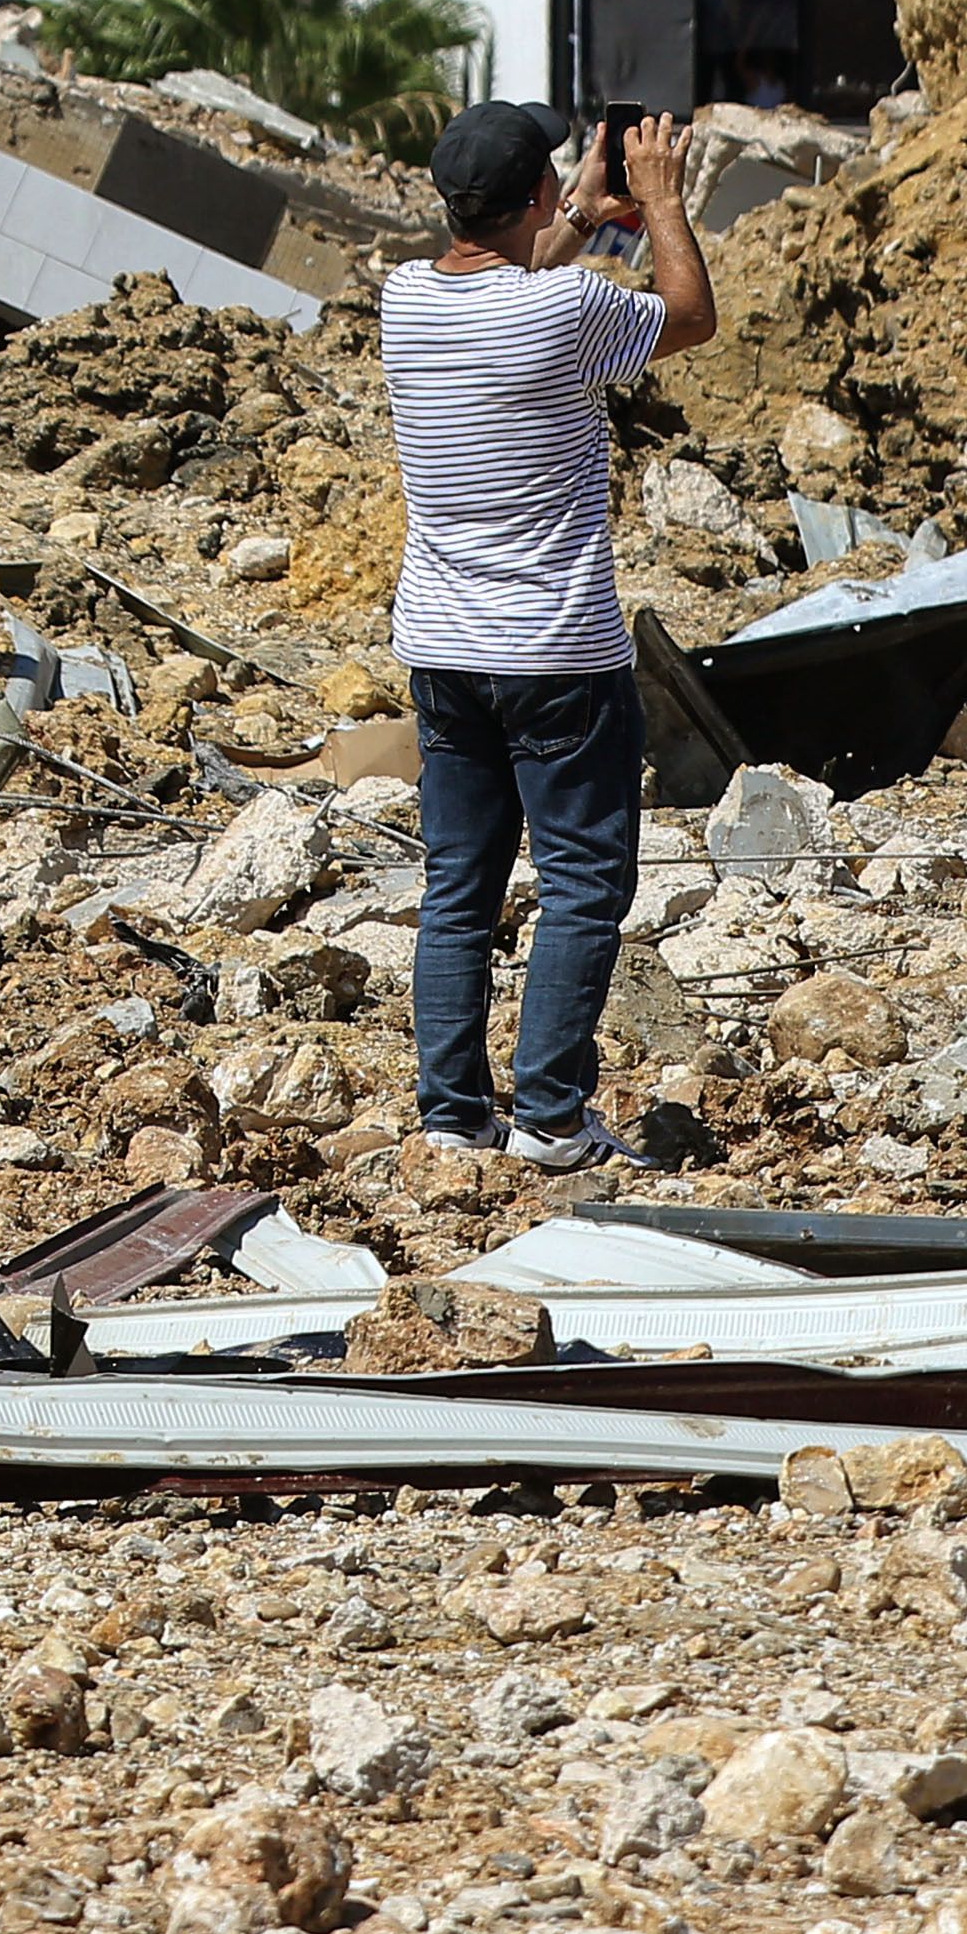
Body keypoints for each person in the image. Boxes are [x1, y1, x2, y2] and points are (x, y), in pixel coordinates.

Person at [383, 101, 714, 1169]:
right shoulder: (566, 307)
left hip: (442, 646)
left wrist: (576, 210)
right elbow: (689, 314)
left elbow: (504, 281)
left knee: (460, 887)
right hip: (559, 651)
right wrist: (657, 203)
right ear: (530, 197)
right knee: (582, 881)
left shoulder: (404, 300)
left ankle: (452, 1117)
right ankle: (555, 1118)